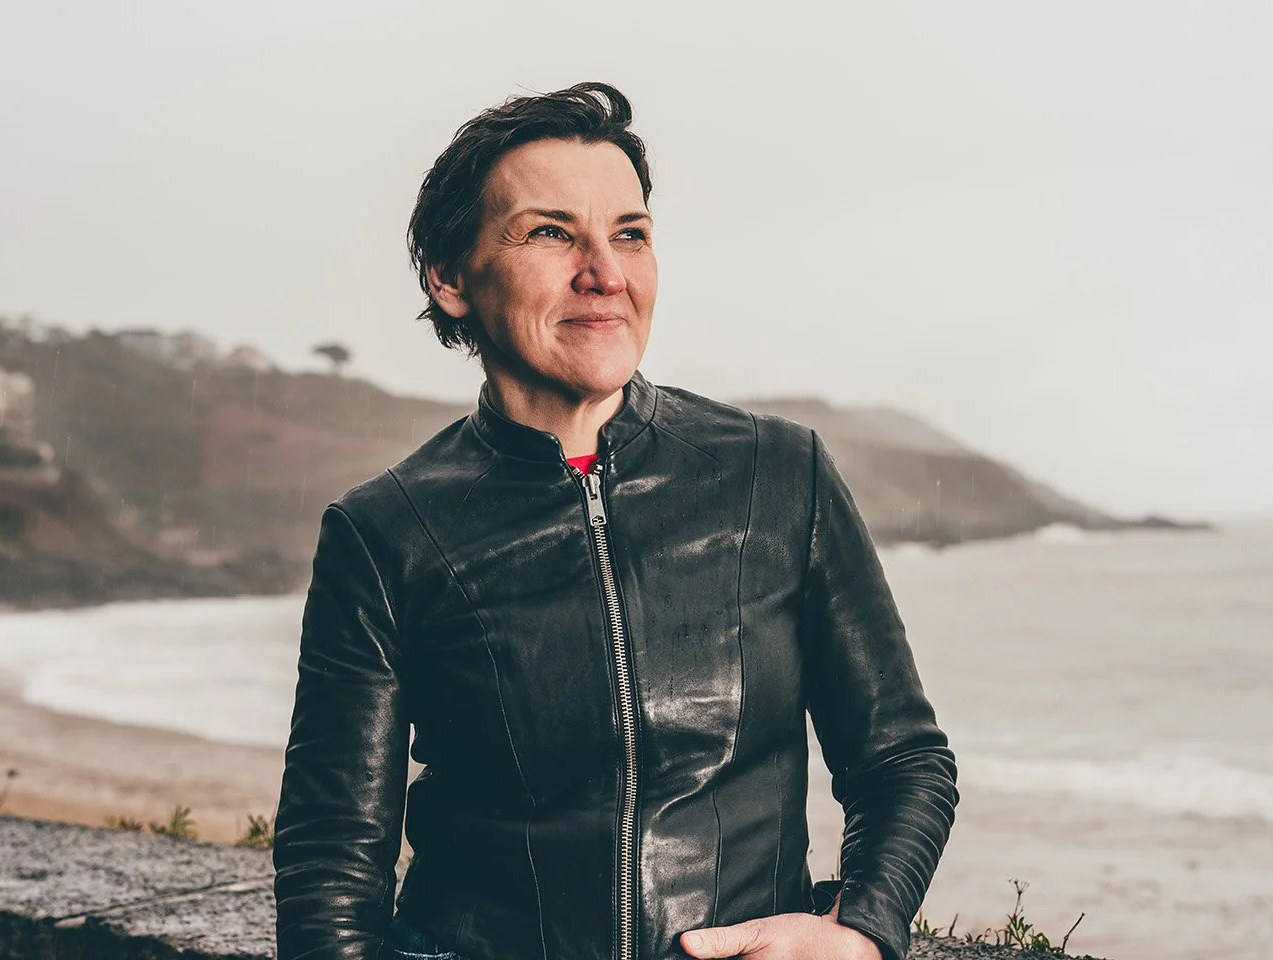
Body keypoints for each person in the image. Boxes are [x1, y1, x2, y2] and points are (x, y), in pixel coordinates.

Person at [273, 81, 958, 960]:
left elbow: (902, 761)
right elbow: (333, 859)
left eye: (629, 233)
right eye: (551, 232)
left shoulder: (778, 474)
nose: (606, 273)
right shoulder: (386, 529)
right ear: (449, 276)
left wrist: (863, 930)